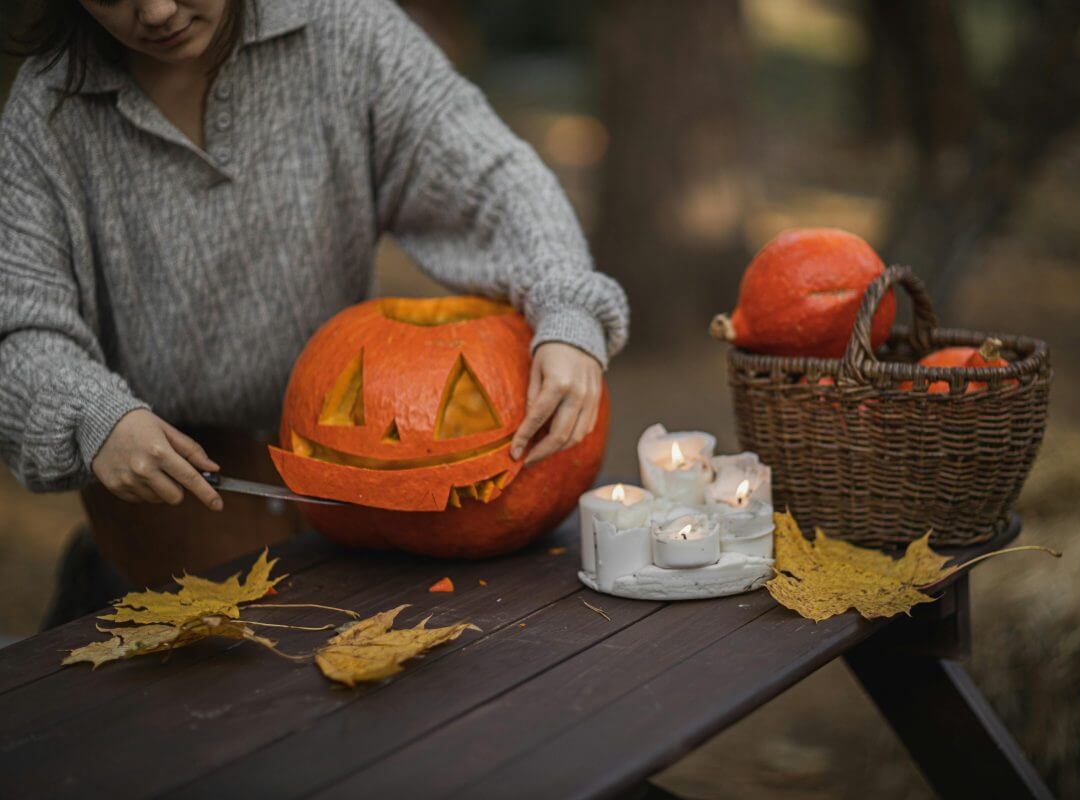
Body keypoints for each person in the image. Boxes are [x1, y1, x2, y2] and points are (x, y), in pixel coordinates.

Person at [0, 0, 629, 623]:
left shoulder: (344, 30)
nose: (158, 10)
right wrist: (92, 416)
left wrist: (567, 302)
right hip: (164, 521)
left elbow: (492, 179)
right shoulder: (47, 110)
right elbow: (19, 323)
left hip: (353, 517)